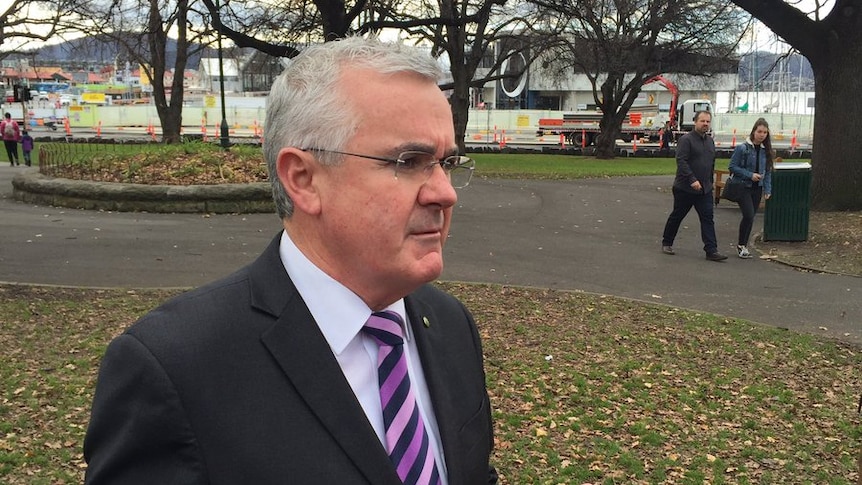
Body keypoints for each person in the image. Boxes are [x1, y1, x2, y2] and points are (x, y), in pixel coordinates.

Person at [83, 36, 497, 484]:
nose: (444, 192)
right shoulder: (175, 368)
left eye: (447, 162)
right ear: (303, 179)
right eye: (410, 160)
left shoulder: (450, 324)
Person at [661, 110, 728, 261]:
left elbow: (711, 163)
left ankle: (711, 250)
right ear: (695, 122)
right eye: (702, 121)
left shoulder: (710, 141)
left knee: (707, 218)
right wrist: (692, 179)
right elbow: (681, 161)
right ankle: (667, 241)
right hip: (685, 188)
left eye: (708, 121)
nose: (705, 124)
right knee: (678, 215)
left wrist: (709, 182)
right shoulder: (686, 140)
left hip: (704, 189)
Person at [728, 118, 773, 259]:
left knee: (751, 217)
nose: (762, 135)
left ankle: (744, 245)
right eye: (759, 131)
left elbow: (768, 172)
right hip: (743, 186)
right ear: (754, 132)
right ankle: (741, 245)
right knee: (748, 214)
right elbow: (732, 166)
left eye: (765, 132)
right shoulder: (743, 148)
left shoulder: (766, 151)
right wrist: (749, 175)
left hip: (757, 188)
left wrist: (767, 189)